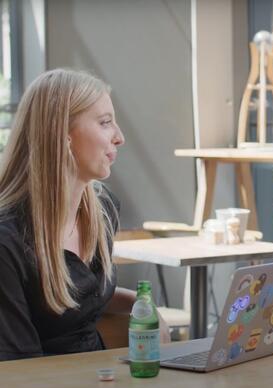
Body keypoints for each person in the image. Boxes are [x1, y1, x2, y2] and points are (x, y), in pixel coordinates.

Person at [0, 69, 169, 361]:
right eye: (105, 123)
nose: (120, 137)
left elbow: (71, 297)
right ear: (61, 137)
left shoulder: (102, 211)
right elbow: (17, 370)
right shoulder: (8, 242)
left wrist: (138, 304)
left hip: (100, 380)